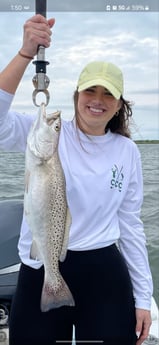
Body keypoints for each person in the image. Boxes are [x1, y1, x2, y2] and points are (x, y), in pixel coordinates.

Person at [0, 14, 153, 345]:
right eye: (90, 90)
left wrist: (143, 297)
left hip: (103, 270)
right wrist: (25, 54)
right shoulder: (42, 133)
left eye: (107, 94)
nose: (97, 100)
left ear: (119, 105)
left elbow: (130, 225)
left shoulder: (126, 151)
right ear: (76, 94)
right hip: (42, 265)